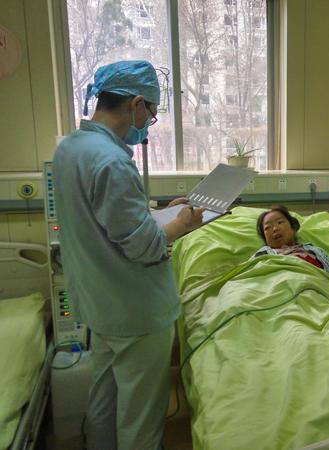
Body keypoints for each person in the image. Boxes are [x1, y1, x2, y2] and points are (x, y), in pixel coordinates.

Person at [53, 60, 204, 450]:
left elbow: (103, 221)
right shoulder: (112, 161)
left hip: (100, 304)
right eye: (151, 113)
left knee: (104, 399)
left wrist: (160, 212)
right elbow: (144, 245)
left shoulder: (70, 149)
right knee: (140, 415)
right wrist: (183, 224)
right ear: (136, 103)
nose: (148, 123)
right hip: (135, 310)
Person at [254, 206, 329, 303]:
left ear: (293, 228)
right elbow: (251, 277)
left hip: (319, 294)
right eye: (267, 228)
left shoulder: (316, 252)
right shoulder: (263, 254)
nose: (275, 229)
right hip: (280, 296)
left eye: (280, 222)